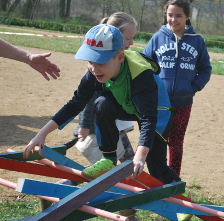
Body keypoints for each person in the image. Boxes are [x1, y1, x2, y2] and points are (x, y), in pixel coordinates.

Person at [23, 24, 180, 186]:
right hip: (126, 105)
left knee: (157, 169)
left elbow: (148, 118)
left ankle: (181, 192)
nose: (94, 68)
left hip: (156, 111)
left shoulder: (142, 75)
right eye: (90, 61)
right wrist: (41, 134)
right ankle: (109, 159)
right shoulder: (94, 73)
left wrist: (139, 157)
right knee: (102, 103)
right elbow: (74, 104)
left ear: (120, 57)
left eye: (101, 62)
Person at [144, 0, 212, 176]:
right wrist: (150, 89)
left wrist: (192, 88)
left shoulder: (197, 41)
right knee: (155, 140)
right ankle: (156, 178)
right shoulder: (157, 38)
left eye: (179, 15)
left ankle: (172, 181)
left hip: (183, 102)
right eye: (170, 15)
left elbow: (205, 68)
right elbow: (144, 65)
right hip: (158, 102)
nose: (174, 19)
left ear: (187, 16)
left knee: (176, 143)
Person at [63, 12, 138, 168]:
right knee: (116, 159)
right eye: (128, 38)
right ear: (115, 36)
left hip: (111, 119)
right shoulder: (100, 68)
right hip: (98, 123)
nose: (131, 43)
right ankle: (71, 180)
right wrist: (83, 125)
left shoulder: (120, 61)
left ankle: (132, 179)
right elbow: (88, 99)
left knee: (123, 156)